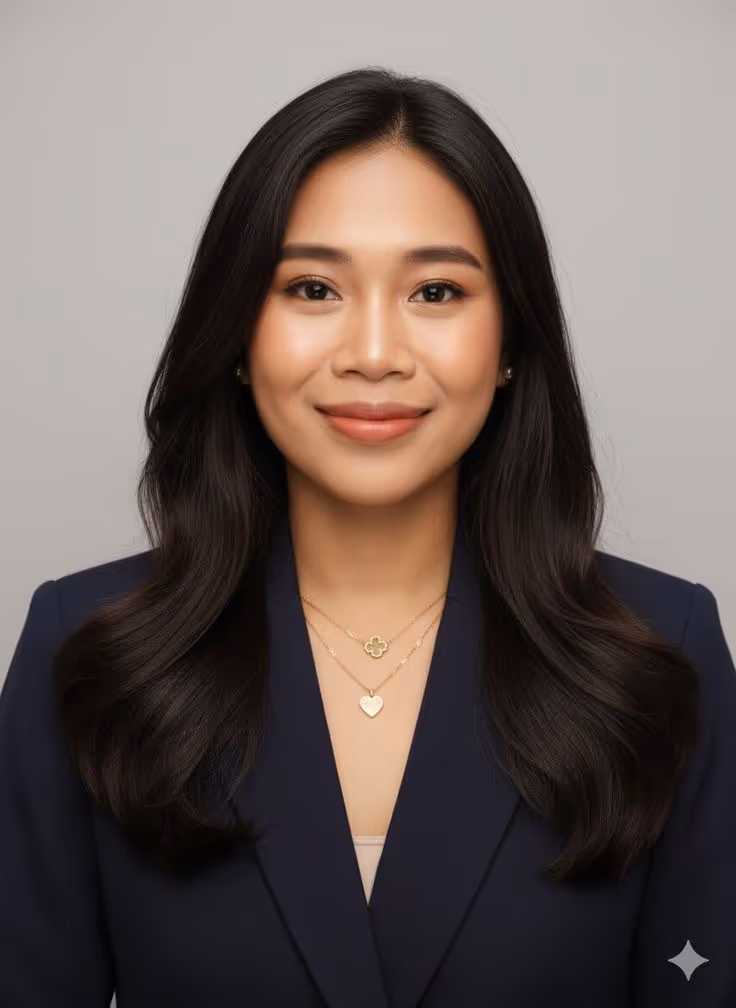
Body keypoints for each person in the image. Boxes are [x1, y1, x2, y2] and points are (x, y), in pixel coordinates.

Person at [1, 66, 735, 1008]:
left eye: (436, 292)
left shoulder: (661, 648)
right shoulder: (89, 648)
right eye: (312, 288)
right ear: (237, 334)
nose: (376, 353)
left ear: (511, 342)